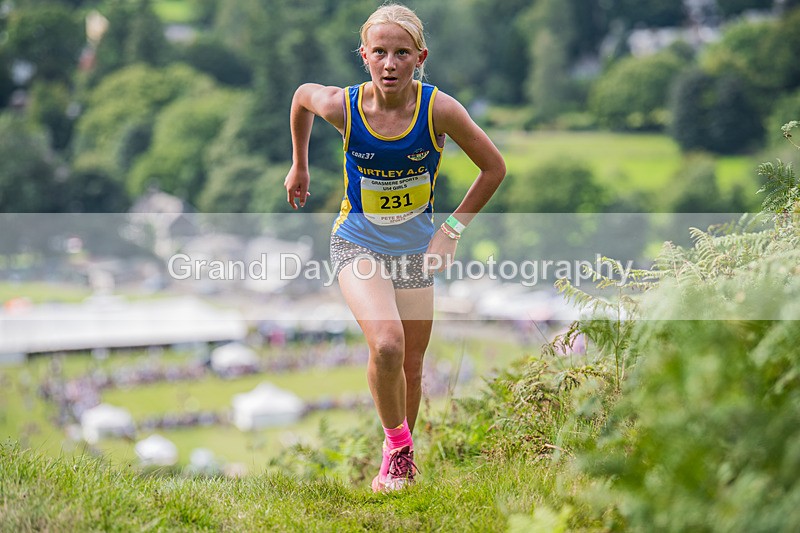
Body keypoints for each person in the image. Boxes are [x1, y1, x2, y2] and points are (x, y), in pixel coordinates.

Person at [284, 3, 505, 492]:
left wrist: (451, 231)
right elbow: (301, 98)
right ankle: (399, 447)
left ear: (420, 58)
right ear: (364, 55)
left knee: (411, 365)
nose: (389, 64)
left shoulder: (439, 110)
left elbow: (494, 168)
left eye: (401, 53)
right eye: (379, 52)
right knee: (387, 344)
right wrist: (300, 164)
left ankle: (397, 465)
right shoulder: (343, 106)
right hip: (356, 241)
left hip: (414, 251)